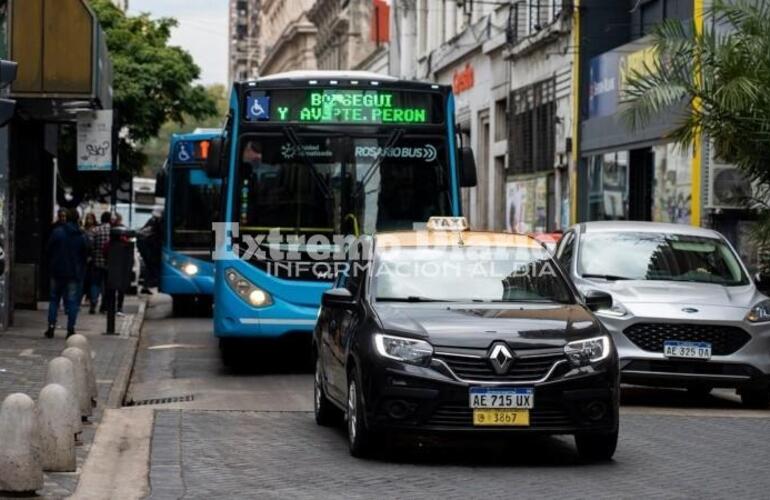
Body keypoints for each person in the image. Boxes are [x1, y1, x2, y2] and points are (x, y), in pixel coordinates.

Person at [45, 208, 89, 338]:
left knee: (54, 299)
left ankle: (51, 327)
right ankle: (70, 328)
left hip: (57, 271)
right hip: (73, 273)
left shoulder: (57, 232)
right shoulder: (81, 235)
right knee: (72, 301)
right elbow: (85, 253)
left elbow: (48, 250)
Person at [88, 212, 112, 314]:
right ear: (109, 219)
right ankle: (104, 306)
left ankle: (93, 303)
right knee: (107, 285)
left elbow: (90, 245)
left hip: (96, 262)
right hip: (109, 263)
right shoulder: (112, 230)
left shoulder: (95, 230)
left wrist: (93, 254)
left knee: (95, 284)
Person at [137, 208, 163, 294]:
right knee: (153, 267)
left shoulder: (152, 222)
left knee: (150, 268)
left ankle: (146, 286)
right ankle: (155, 285)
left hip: (150, 248)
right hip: (151, 249)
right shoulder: (154, 223)